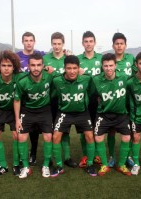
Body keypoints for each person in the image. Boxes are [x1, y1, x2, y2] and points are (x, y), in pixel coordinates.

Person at [51, 55, 96, 177]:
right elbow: (52, 94)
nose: (72, 71)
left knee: (89, 136)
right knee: (55, 137)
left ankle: (90, 164)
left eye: (75, 68)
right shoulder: (56, 80)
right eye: (69, 68)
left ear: (79, 68)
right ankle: (59, 165)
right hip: (64, 113)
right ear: (64, 68)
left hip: (82, 112)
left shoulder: (86, 79)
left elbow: (92, 93)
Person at [14, 53, 53, 179]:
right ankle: (26, 166)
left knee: (48, 136)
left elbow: (65, 77)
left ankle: (46, 165)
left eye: (38, 65)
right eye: (33, 65)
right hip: (28, 111)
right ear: (28, 66)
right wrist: (17, 120)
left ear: (43, 66)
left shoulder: (49, 76)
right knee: (21, 137)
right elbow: (17, 100)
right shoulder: (22, 81)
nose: (36, 68)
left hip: (44, 110)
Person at [92, 53, 132, 176]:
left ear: (115, 65)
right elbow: (92, 94)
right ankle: (104, 165)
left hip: (121, 115)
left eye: (111, 65)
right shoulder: (96, 79)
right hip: (104, 114)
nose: (108, 68)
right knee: (98, 137)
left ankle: (121, 165)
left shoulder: (125, 78)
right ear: (102, 66)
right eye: (106, 66)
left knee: (126, 137)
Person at [43, 32, 77, 168]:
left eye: (59, 44)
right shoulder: (45, 59)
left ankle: (67, 157)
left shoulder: (68, 58)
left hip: (65, 100)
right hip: (50, 100)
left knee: (65, 131)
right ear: (51, 44)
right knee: (51, 131)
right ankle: (51, 158)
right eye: (54, 43)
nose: (57, 46)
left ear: (63, 44)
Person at [0, 50, 21, 177]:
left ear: (14, 67)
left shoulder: (19, 78)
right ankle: (3, 166)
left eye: (9, 65)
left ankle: (17, 164)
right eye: (3, 65)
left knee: (17, 135)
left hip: (14, 110)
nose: (6, 69)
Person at [16, 32, 45, 166]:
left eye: (31, 40)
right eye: (26, 40)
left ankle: (34, 152)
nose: (28, 43)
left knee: (36, 129)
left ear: (34, 41)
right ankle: (22, 156)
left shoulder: (41, 55)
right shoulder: (17, 57)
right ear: (22, 42)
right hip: (22, 97)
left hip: (38, 97)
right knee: (21, 129)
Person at [108, 32, 136, 168]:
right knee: (112, 129)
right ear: (113, 45)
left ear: (125, 45)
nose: (119, 46)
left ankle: (128, 156)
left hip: (129, 99)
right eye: (117, 44)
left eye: (121, 44)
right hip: (114, 100)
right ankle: (112, 156)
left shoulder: (131, 59)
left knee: (129, 129)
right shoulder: (109, 60)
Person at [77, 31, 102, 168]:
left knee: (97, 129)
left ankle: (97, 155)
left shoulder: (101, 58)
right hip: (83, 99)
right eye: (86, 41)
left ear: (94, 42)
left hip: (98, 99)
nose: (88, 44)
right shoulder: (78, 59)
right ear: (82, 43)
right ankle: (86, 155)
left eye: (90, 41)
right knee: (84, 129)